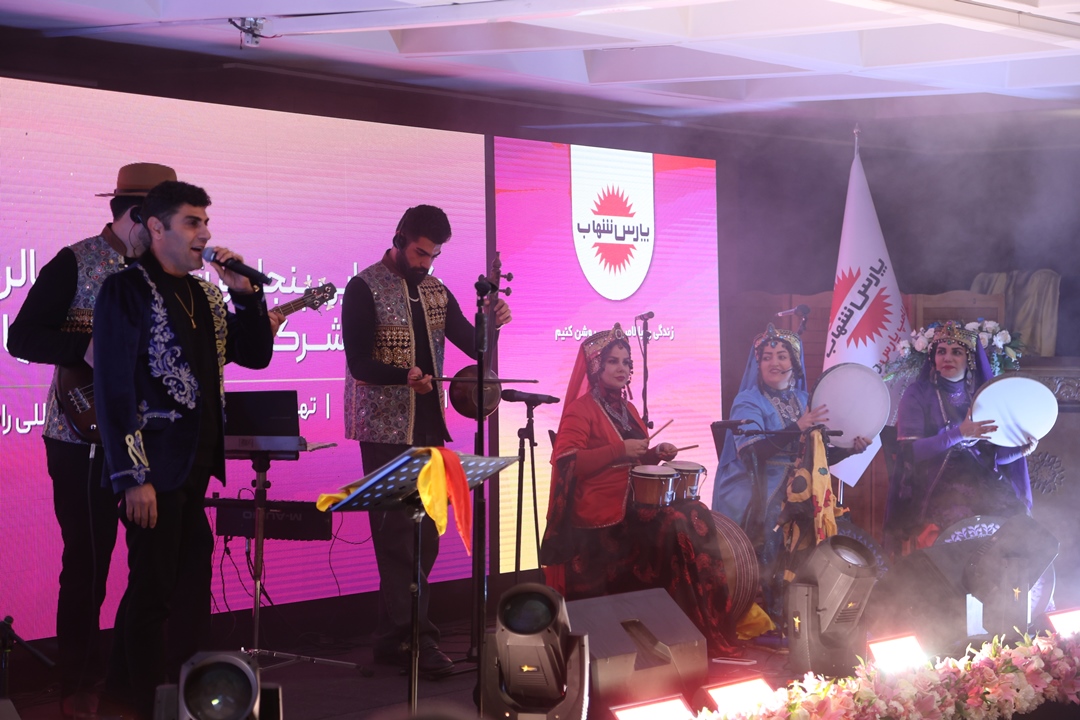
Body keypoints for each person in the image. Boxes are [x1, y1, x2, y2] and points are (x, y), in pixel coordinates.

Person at [93, 180, 274, 719]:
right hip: (152, 468)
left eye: (206, 222)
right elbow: (114, 388)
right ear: (156, 227)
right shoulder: (125, 290)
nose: (205, 234)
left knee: (190, 587)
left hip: (196, 462)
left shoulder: (206, 295)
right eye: (193, 222)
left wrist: (246, 295)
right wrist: (132, 477)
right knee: (152, 591)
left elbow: (255, 354)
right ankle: (147, 703)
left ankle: (168, 697)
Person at [7, 162, 177, 719]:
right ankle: (77, 683)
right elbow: (21, 337)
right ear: (138, 216)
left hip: (150, 439)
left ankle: (132, 679)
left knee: (153, 564)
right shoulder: (74, 262)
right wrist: (82, 349)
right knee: (88, 563)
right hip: (80, 441)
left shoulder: (165, 274)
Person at [341, 204, 511, 677]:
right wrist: (405, 377)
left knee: (426, 536)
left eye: (433, 255)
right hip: (384, 430)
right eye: (420, 252)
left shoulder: (435, 290)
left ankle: (390, 639)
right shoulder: (363, 286)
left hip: (430, 427)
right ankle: (418, 640)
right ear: (399, 238)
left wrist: (492, 321)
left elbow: (474, 346)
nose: (425, 263)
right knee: (399, 538)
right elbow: (359, 363)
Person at [539, 323, 739, 658]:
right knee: (674, 522)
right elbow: (567, 461)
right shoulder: (581, 409)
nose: (622, 368)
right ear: (596, 366)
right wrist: (619, 450)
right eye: (613, 361)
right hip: (600, 507)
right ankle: (675, 629)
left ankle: (704, 626)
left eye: (626, 362)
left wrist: (656, 453)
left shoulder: (627, 408)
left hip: (631, 498)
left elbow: (636, 459)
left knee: (696, 511)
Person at [711, 324, 866, 619]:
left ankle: (811, 607)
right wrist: (798, 427)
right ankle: (773, 610)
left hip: (803, 482)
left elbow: (817, 456)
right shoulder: (748, 400)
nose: (774, 362)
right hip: (758, 481)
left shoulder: (805, 400)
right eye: (767, 357)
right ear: (758, 364)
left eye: (782, 356)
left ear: (794, 364)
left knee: (829, 519)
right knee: (779, 517)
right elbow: (752, 453)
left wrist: (851, 450)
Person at [884, 321, 1033, 554]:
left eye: (956, 352)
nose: (947, 358)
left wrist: (1019, 451)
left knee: (1014, 521)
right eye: (941, 351)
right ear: (933, 358)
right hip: (931, 483)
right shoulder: (918, 394)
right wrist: (958, 434)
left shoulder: (982, 397)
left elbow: (993, 458)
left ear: (969, 359)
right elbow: (911, 453)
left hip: (981, 482)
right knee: (957, 516)